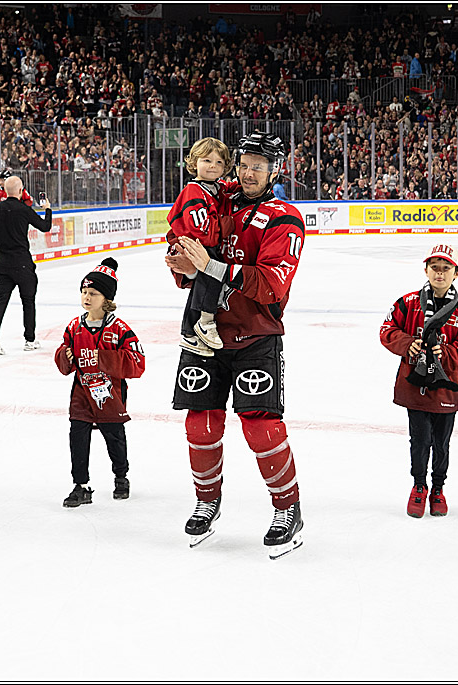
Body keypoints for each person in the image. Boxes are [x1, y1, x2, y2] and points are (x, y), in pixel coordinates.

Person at [164, 131, 306, 559]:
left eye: (258, 167)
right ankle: (207, 501)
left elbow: (269, 284)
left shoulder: (285, 217)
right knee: (199, 425)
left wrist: (211, 265)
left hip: (254, 336)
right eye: (243, 164)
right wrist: (181, 263)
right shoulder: (215, 196)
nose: (247, 173)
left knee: (261, 429)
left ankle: (288, 508)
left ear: (274, 171)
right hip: (204, 334)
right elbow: (187, 247)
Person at [379, 244, 458, 518]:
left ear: (456, 273)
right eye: (435, 267)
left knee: (442, 442)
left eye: (446, 268)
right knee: (419, 440)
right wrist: (406, 343)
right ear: (426, 270)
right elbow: (387, 329)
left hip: (446, 388)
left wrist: (445, 354)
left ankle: (438, 488)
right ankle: (419, 486)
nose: (440, 273)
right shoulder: (408, 302)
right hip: (415, 385)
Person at [54, 258, 146, 507]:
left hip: (110, 395)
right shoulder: (74, 327)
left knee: (114, 436)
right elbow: (63, 362)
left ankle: (121, 476)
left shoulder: (119, 329)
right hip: (81, 394)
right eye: (84, 291)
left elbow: (138, 362)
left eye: (93, 293)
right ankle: (80, 485)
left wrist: (106, 358)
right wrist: (65, 357)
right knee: (78, 436)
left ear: (106, 298)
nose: (86, 296)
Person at [165, 137, 235, 356]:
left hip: (199, 243)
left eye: (219, 162)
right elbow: (201, 230)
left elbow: (229, 188)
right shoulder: (194, 191)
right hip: (195, 244)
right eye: (207, 160)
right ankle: (205, 320)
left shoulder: (214, 187)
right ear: (194, 163)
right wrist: (223, 227)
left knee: (201, 284)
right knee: (213, 269)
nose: (213, 166)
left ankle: (189, 334)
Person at [0, 175, 52, 355]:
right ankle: (30, 340)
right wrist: (47, 209)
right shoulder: (24, 209)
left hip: (2, 262)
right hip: (22, 262)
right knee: (28, 301)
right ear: (20, 191)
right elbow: (45, 227)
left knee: (1, 300)